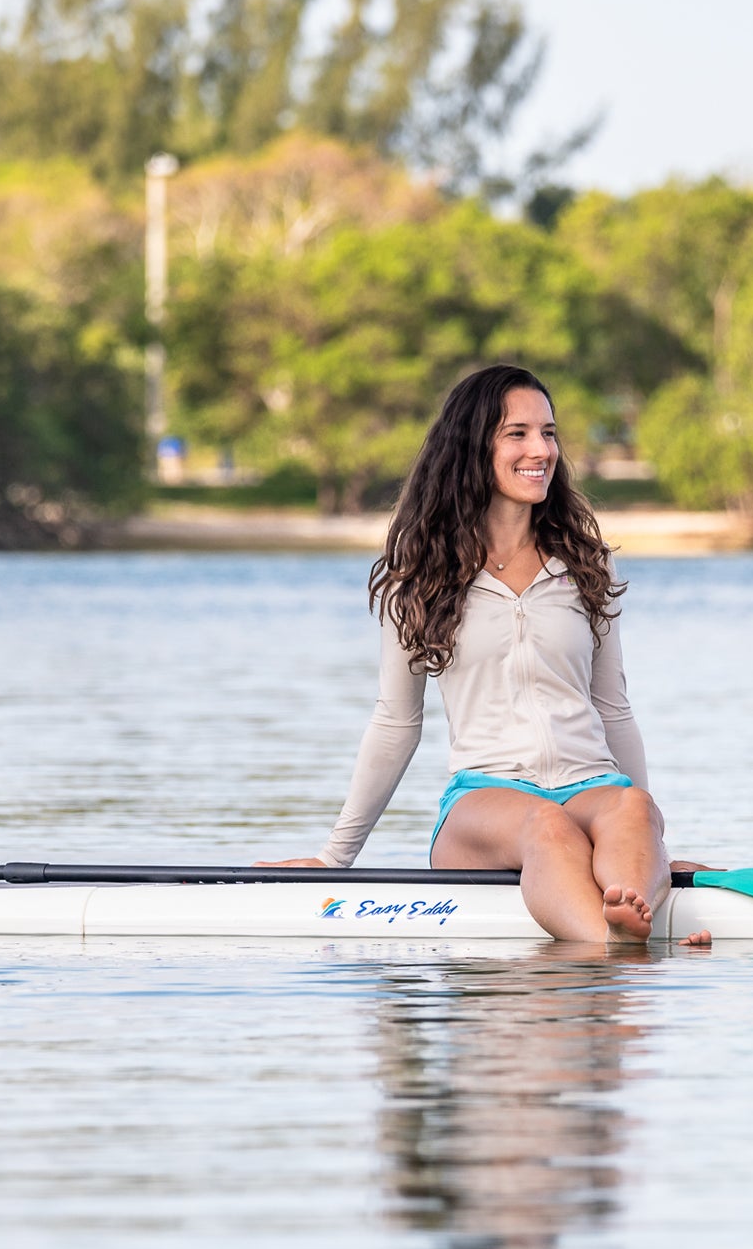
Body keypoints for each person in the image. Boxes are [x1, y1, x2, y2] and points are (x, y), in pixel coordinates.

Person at [260, 363, 709, 946]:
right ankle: (614, 942)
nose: (540, 449)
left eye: (548, 433)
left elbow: (613, 707)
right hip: (485, 800)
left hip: (591, 783)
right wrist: (334, 857)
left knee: (633, 805)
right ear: (474, 447)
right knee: (544, 824)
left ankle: (630, 910)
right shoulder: (418, 575)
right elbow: (396, 722)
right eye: (517, 433)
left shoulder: (585, 564)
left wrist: (651, 840)